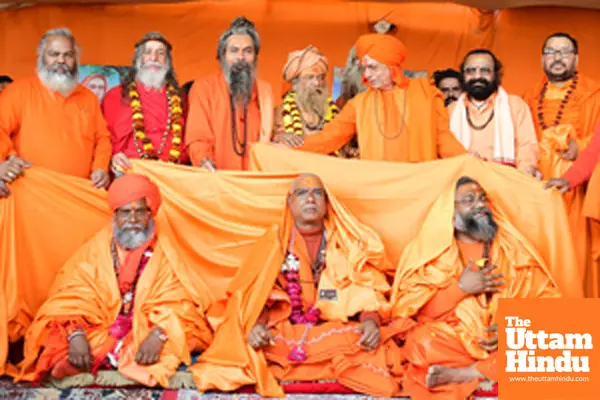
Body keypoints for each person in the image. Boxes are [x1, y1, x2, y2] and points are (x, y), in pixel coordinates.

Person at [190, 174, 404, 397]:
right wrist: (257, 326)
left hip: (334, 325)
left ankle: (303, 368)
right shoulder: (274, 242)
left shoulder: (346, 240)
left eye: (317, 193)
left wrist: (370, 322)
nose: (310, 199)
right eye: (302, 193)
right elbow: (256, 292)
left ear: (327, 204)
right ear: (290, 204)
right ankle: (318, 366)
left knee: (368, 341)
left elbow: (365, 285)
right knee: (255, 344)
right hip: (287, 326)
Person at [17, 174, 213, 386]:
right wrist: (75, 333)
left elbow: (178, 302)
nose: (133, 219)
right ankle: (120, 360)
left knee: (171, 342)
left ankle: (119, 359)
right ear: (115, 215)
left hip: (145, 329)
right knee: (58, 339)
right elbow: (71, 294)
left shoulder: (164, 251)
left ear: (150, 214)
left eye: (140, 211)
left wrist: (159, 335)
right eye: (125, 212)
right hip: (101, 326)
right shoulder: (96, 249)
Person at [390, 176, 561, 399]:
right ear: (449, 213)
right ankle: (488, 370)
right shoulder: (430, 252)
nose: (480, 204)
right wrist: (460, 289)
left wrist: (513, 329)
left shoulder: (511, 248)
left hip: (507, 342)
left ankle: (465, 373)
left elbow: (548, 299)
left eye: (482, 199)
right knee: (422, 342)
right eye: (469, 200)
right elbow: (413, 311)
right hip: (454, 342)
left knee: (565, 337)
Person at [279, 34, 466, 162]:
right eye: (364, 68)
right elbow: (329, 138)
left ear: (392, 67)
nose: (367, 75)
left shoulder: (426, 93)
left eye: (373, 68)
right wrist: (290, 146)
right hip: (377, 183)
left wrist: (465, 158)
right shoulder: (359, 103)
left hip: (417, 181)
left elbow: (443, 138)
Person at [524, 32, 600, 295]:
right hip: (540, 187)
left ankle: (579, 322)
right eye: (551, 52)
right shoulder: (528, 97)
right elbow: (522, 140)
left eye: (565, 52)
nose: (558, 58)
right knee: (542, 253)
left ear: (576, 59)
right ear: (542, 58)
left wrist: (580, 145)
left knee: (578, 255)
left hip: (582, 187)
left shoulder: (595, 92)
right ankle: (546, 325)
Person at [0, 28, 111, 196]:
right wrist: (6, 159)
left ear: (76, 59)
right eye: (54, 54)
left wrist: (101, 168)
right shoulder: (18, 91)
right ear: (41, 57)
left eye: (68, 55)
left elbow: (102, 138)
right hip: (30, 195)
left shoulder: (89, 98)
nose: (61, 60)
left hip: (78, 194)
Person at [185, 17, 274, 171]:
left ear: (255, 58)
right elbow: (197, 136)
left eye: (247, 51)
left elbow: (271, 135)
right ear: (222, 56)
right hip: (217, 180)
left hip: (255, 181)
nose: (241, 57)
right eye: (234, 51)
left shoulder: (264, 91)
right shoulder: (204, 88)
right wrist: (203, 159)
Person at [103, 32, 187, 174]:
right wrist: (114, 157)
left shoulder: (181, 98)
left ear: (168, 62)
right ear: (138, 60)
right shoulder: (116, 95)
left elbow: (188, 140)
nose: (153, 58)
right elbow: (103, 138)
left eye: (160, 53)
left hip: (172, 171)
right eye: (147, 53)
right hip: (130, 169)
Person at [448, 49, 539, 176]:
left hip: (505, 181)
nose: (477, 76)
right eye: (471, 71)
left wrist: (525, 173)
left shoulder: (515, 105)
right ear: (463, 76)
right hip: (462, 183)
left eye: (484, 70)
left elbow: (527, 146)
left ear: (496, 75)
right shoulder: (451, 111)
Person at [273, 46, 356, 158]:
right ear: (295, 82)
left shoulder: (334, 109)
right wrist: (281, 137)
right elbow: (276, 137)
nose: (317, 83)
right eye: (309, 77)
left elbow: (340, 139)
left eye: (321, 77)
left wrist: (350, 150)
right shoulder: (283, 110)